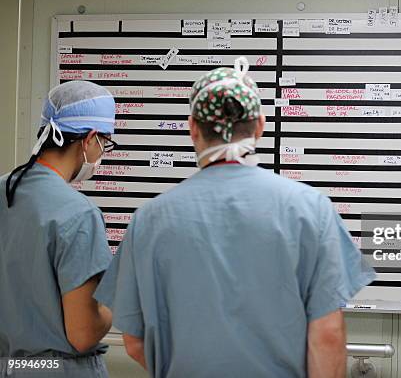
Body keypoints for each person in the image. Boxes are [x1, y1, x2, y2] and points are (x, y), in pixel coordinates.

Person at [94, 57, 375, 378]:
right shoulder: (309, 209)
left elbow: (134, 342)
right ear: (259, 125)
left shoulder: (150, 219)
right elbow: (327, 335)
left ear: (193, 128)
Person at [0, 81, 117, 377]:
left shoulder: (5, 189)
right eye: (106, 142)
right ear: (90, 139)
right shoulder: (77, 213)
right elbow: (83, 333)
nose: (103, 152)